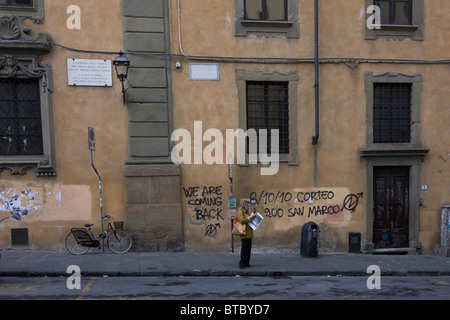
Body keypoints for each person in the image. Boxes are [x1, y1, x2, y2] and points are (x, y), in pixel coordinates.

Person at [237, 200, 256, 269]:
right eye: (248, 206)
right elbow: (242, 220)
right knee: (244, 249)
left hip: (249, 233)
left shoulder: (247, 213)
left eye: (249, 206)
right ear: (244, 205)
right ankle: (242, 263)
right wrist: (250, 217)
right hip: (244, 233)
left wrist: (253, 217)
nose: (249, 207)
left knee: (248, 249)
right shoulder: (240, 212)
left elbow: (248, 220)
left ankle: (247, 263)